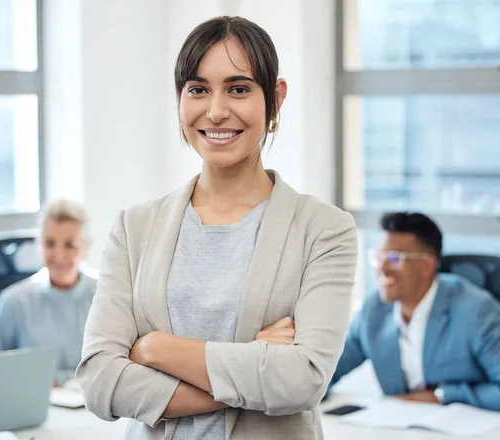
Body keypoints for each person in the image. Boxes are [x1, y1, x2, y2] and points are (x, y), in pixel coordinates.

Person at [76, 16, 358, 440]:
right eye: (198, 89)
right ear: (180, 99)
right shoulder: (134, 229)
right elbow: (100, 382)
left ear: (275, 98)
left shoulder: (324, 231)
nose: (216, 110)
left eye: (239, 88)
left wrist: (156, 350)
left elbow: (303, 379)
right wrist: (250, 366)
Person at [329, 212, 500, 411]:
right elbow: (325, 372)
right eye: (379, 257)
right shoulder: (373, 311)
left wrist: (443, 395)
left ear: (427, 265)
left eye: (394, 258)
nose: (382, 269)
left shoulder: (475, 311)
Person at [0, 200, 96, 385]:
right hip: (34, 406)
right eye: (50, 244)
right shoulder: (14, 301)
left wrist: (61, 379)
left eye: (70, 245)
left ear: (85, 248)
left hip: (93, 406)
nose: (59, 254)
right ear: (38, 245)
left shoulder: (104, 296)